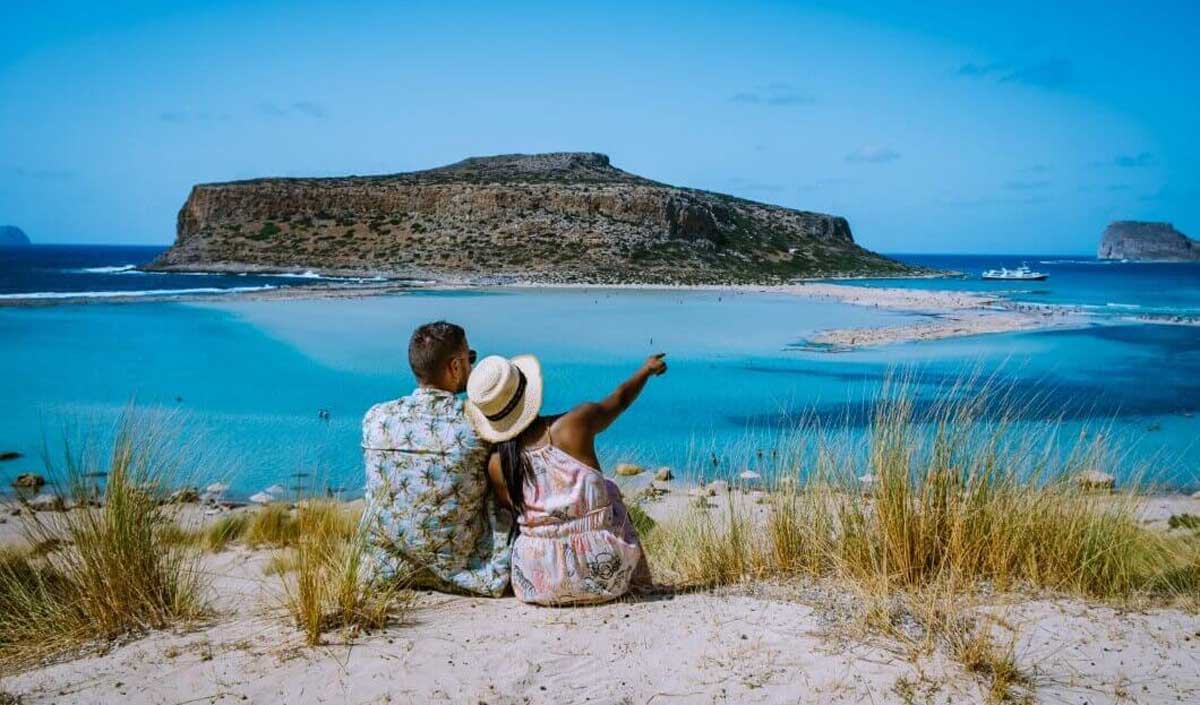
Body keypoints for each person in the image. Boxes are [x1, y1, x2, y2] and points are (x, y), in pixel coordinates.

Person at [464, 352, 664, 605]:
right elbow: (620, 399)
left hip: (537, 582)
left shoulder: (497, 463)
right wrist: (646, 370)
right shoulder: (575, 424)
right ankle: (635, 578)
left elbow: (512, 511)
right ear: (527, 392)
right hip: (606, 575)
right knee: (610, 490)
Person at [359, 321, 511, 596]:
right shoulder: (476, 424)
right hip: (466, 572)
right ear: (455, 367)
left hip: (385, 567)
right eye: (470, 359)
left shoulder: (375, 418)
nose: (472, 367)